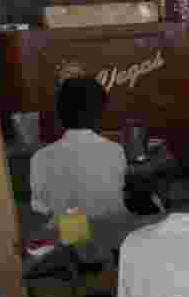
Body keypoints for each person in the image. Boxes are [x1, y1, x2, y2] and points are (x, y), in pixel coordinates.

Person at [31, 77, 128, 219]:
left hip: (64, 235)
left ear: (59, 113)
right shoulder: (115, 151)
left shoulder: (40, 158)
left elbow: (39, 206)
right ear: (100, 113)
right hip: (113, 233)